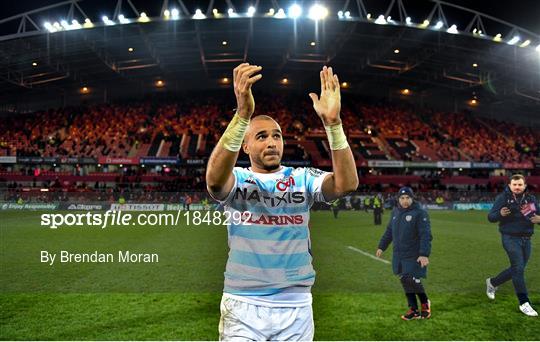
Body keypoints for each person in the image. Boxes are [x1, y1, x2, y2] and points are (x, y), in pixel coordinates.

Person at [206, 63, 359, 340]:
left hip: (296, 306)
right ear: (246, 145)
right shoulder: (238, 178)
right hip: (243, 305)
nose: (272, 142)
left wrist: (333, 125)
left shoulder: (302, 178)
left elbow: (346, 184)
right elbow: (215, 181)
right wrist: (242, 115)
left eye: (276, 135)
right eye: (261, 136)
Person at [486, 174, 540, 317]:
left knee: (517, 268)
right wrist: (500, 214)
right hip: (510, 238)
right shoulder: (503, 198)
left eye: (520, 185)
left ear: (524, 186)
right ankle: (524, 303)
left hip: (526, 239)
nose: (517, 187)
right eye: (514, 185)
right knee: (518, 268)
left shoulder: (530, 199)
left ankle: (492, 283)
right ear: (510, 186)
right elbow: (491, 217)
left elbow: (536, 218)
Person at [376, 187, 432, 320]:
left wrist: (424, 254)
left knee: (411, 279)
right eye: (402, 198)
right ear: (398, 199)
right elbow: (389, 231)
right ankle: (413, 309)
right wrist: (381, 246)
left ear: (412, 198)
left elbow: (426, 235)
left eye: (408, 198)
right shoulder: (395, 212)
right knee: (404, 280)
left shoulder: (420, 213)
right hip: (399, 254)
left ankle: (425, 304)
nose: (405, 201)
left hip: (414, 253)